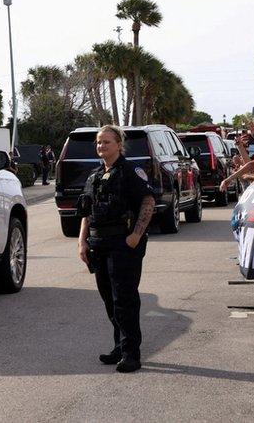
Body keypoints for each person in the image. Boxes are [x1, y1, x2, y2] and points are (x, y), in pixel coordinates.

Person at [76, 125, 156, 373]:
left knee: (124, 299)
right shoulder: (95, 175)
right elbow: (86, 212)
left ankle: (131, 353)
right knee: (109, 299)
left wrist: (135, 235)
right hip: (99, 244)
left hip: (124, 244)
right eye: (99, 142)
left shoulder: (132, 171)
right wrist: (82, 242)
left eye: (107, 142)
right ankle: (119, 347)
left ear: (119, 145)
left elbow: (148, 201)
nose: (101, 146)